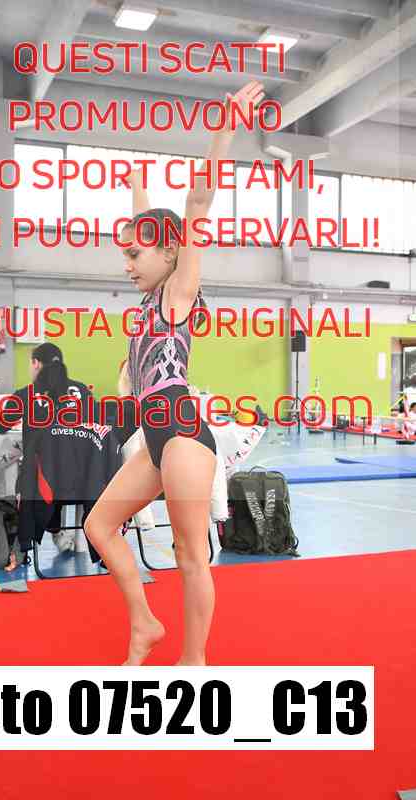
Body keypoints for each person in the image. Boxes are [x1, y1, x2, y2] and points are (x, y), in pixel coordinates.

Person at [83, 81, 266, 666]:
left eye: (134, 255)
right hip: (155, 436)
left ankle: (195, 661)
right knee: (99, 526)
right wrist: (135, 177)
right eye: (124, 254)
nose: (126, 264)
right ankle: (145, 624)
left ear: (169, 253)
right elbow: (148, 220)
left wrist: (225, 129)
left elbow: (197, 204)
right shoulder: (148, 297)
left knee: (190, 554)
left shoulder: (178, 294)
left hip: (183, 431)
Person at [1, 342, 96, 571]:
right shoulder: (83, 391)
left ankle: (27, 545)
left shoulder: (26, 394)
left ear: (35, 363)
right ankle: (60, 532)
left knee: (36, 472)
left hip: (43, 487)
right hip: (84, 483)